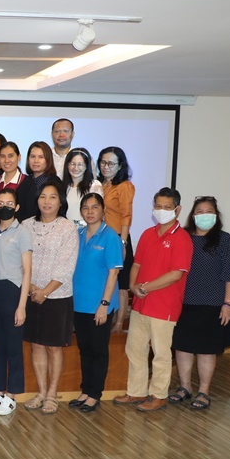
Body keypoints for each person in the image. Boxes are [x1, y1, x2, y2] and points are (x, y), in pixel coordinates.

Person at [114, 187, 193, 413]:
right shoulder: (148, 234)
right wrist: (132, 286)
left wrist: (145, 287)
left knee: (160, 353)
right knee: (135, 350)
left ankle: (158, 395)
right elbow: (137, 264)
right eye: (158, 206)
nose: (161, 210)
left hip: (164, 305)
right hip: (141, 303)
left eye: (167, 207)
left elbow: (176, 274)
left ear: (178, 209)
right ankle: (136, 391)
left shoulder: (182, 238)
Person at [170, 196, 230, 410]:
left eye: (209, 211)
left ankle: (204, 391)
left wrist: (228, 304)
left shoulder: (224, 240)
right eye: (200, 212)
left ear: (216, 215)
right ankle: (184, 387)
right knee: (182, 348)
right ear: (193, 215)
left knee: (206, 350)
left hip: (212, 305)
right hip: (183, 304)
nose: (204, 215)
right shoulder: (182, 237)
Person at [21, 179, 79, 415]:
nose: (47, 201)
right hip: (30, 293)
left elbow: (66, 267)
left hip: (57, 296)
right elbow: (18, 260)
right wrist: (32, 288)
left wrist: (45, 291)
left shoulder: (67, 228)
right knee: (36, 345)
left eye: (53, 197)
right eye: (43, 196)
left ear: (60, 201)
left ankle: (53, 394)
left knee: (54, 347)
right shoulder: (25, 225)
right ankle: (41, 392)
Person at [70, 193, 123, 413]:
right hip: (79, 303)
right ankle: (85, 390)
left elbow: (113, 273)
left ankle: (94, 394)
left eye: (94, 207)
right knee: (85, 349)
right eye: (85, 208)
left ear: (103, 210)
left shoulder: (110, 236)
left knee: (98, 350)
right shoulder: (78, 234)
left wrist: (104, 304)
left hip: (99, 305)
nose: (90, 212)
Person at [0, 189, 32, 417]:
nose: (4, 206)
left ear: (17, 207)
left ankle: (12, 395)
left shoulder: (22, 233)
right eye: (0, 202)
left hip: (12, 292)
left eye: (9, 203)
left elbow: (27, 271)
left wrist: (21, 306)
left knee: (13, 347)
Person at [98, 146, 136, 332]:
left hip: (118, 238)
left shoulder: (124, 186)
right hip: (100, 238)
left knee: (121, 283)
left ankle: (119, 323)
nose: (106, 167)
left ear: (120, 165)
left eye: (111, 163)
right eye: (103, 162)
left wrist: (123, 242)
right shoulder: (98, 185)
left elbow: (126, 215)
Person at [0, 142, 37, 223]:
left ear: (19, 157)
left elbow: (30, 214)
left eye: (10, 156)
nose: (6, 160)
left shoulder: (28, 183)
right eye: (3, 156)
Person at [62, 148, 102, 227]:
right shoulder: (62, 186)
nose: (76, 168)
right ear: (67, 165)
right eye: (72, 164)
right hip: (65, 229)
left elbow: (98, 212)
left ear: (86, 166)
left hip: (87, 229)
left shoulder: (94, 185)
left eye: (80, 164)